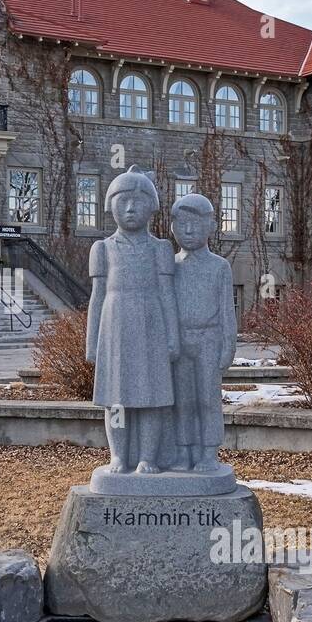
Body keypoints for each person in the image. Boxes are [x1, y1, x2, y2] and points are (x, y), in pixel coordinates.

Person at [85, 166, 179, 473]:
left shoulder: (161, 249)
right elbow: (97, 296)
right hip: (115, 325)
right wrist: (92, 342)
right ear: (110, 205)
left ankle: (147, 457)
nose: (130, 208)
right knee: (115, 398)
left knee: (151, 396)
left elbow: (167, 295)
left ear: (151, 206)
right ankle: (119, 455)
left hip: (151, 323)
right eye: (123, 201)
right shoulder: (102, 248)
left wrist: (172, 337)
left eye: (138, 202)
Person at [166, 192, 236, 473]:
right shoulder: (169, 266)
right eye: (182, 224)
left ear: (211, 226)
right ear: (172, 228)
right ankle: (183, 451)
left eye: (196, 223)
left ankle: (209, 452)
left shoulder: (219, 267)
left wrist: (228, 346)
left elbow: (227, 311)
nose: (189, 230)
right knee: (182, 400)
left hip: (209, 339)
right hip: (180, 340)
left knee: (207, 398)